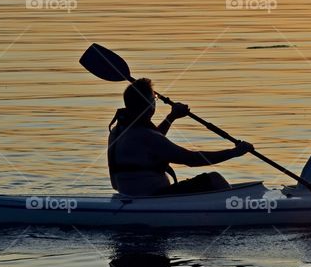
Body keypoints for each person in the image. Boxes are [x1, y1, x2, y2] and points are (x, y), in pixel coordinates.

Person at [107, 78, 253, 196]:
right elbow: (191, 159)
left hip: (128, 195)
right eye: (154, 99)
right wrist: (234, 152)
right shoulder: (148, 136)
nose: (155, 101)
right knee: (215, 179)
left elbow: (150, 146)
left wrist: (171, 117)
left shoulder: (118, 131)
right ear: (150, 105)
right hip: (154, 197)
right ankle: (235, 210)